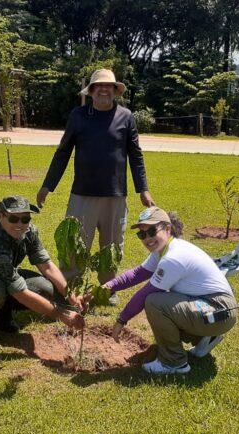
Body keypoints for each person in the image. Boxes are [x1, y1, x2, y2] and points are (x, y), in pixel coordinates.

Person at [37, 68, 155, 305]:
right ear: (91, 91)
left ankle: (106, 289)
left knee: (111, 245)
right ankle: (69, 288)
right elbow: (63, 152)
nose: (104, 89)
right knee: (75, 244)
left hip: (115, 195)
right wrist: (47, 185)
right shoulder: (78, 116)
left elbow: (136, 155)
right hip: (83, 194)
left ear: (115, 90)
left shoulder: (126, 117)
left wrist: (143, 188)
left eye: (109, 86)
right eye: (99, 86)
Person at [102, 207, 238, 374]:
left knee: (155, 302)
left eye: (152, 231)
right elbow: (137, 274)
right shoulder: (164, 250)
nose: (147, 238)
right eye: (142, 234)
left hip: (219, 310)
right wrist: (108, 287)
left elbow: (144, 293)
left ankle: (174, 363)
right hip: (217, 309)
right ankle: (205, 337)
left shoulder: (172, 258)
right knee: (163, 299)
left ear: (168, 229)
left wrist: (121, 320)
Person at [0, 195, 86, 351]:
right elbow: (20, 292)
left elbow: (47, 266)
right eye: (14, 219)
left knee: (45, 290)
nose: (20, 224)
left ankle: (3, 315)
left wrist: (71, 296)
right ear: (1, 216)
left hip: (4, 275)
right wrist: (60, 314)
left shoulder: (29, 232)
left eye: (25, 218)